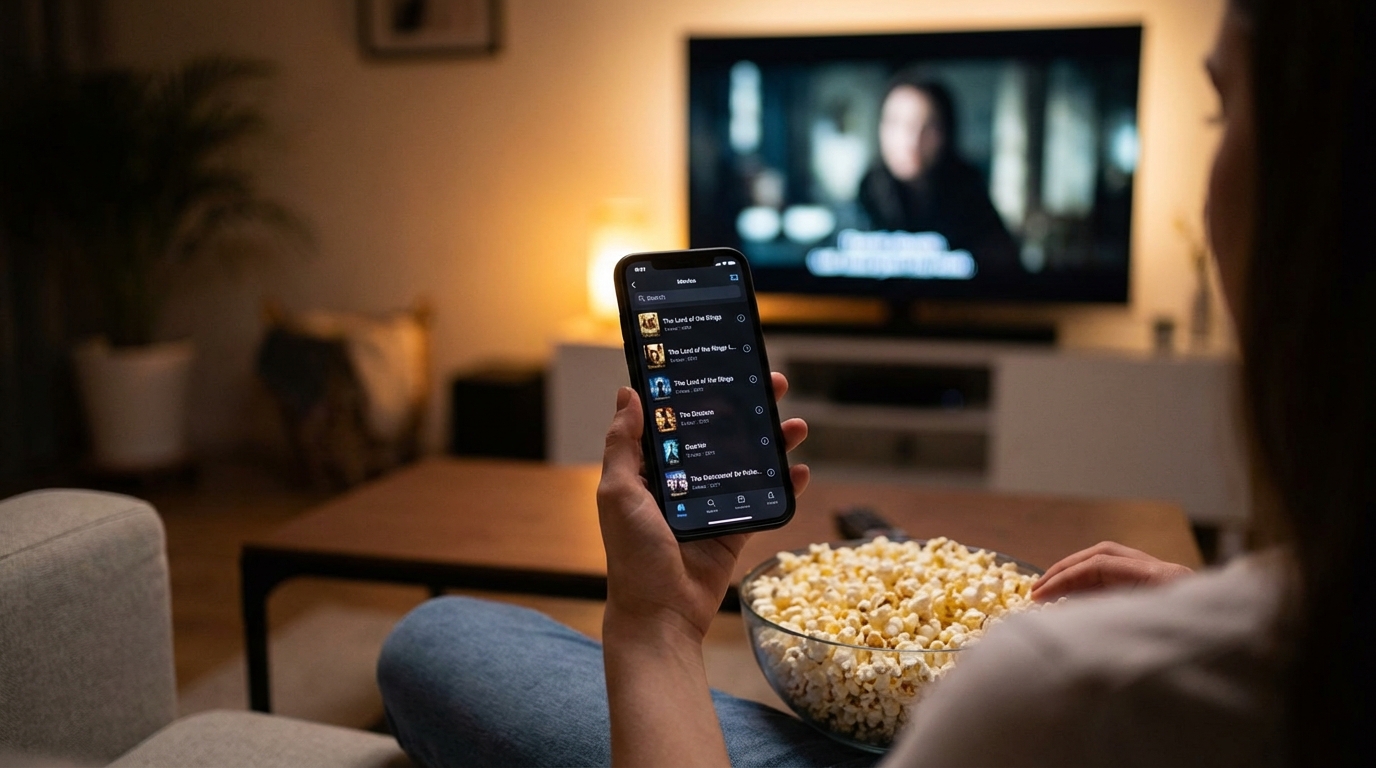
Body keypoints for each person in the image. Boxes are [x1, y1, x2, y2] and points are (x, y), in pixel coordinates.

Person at [376, 0, 1371, 764]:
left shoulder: (1053, 695)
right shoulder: (1283, 635)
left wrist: (656, 627)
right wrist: (1208, 600)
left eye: (1220, 109)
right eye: (897, 126)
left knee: (437, 636)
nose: (910, 142)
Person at [856, 74, 1021, 282]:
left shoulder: (969, 192)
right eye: (897, 123)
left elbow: (1005, 266)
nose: (912, 140)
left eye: (928, 126)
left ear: (946, 132)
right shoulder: (864, 194)